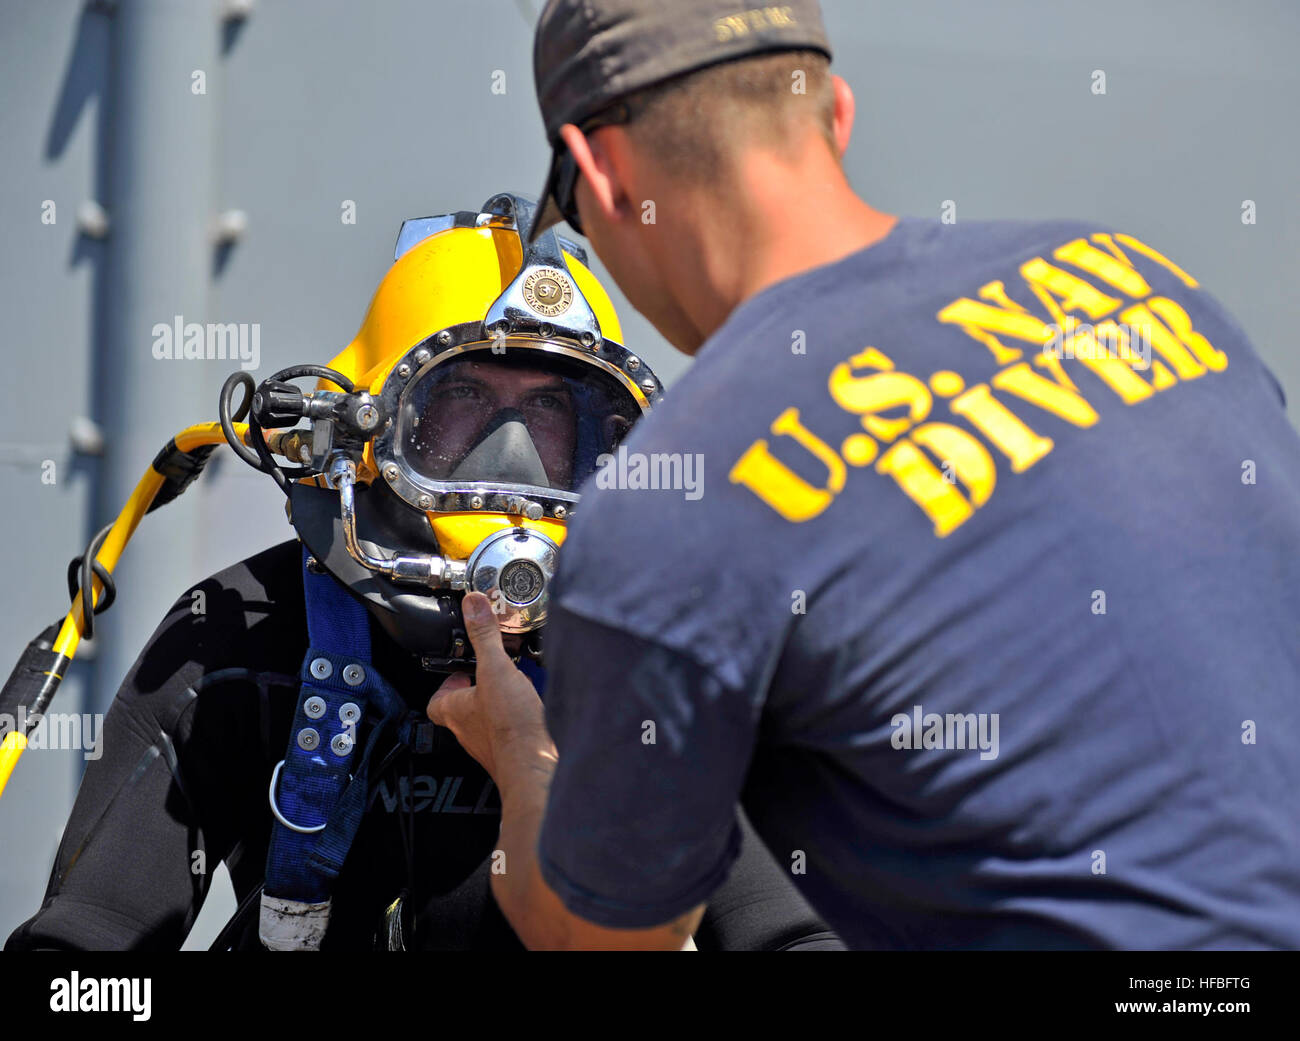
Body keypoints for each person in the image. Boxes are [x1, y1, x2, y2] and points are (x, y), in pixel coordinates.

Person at [426, 0, 1300, 950]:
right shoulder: (1134, 282)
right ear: (835, 114)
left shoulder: (677, 502)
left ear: (600, 173)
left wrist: (526, 752)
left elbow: (598, 939)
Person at [5, 195, 842, 951]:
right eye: (465, 399)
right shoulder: (233, 637)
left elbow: (793, 936)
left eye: (548, 408)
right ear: (364, 433)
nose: (506, 451)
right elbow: (77, 961)